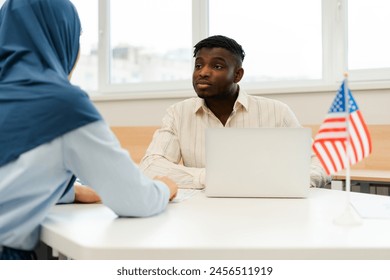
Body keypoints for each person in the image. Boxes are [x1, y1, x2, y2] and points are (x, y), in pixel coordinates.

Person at [0, 0, 177, 260]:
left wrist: (67, 192)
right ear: (62, 38)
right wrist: (164, 187)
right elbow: (136, 200)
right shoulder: (62, 105)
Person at [139, 35, 331, 189]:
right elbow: (150, 167)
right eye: (198, 65)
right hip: (202, 214)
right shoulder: (178, 113)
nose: (203, 72)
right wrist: (211, 178)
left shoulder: (277, 112)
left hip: (266, 213)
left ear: (237, 75)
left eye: (217, 66)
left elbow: (319, 161)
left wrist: (290, 182)